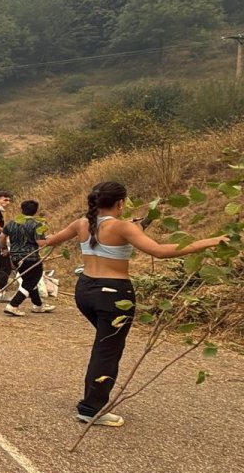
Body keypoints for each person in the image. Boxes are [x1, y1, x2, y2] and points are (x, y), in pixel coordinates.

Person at [42, 181, 226, 427]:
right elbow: (160, 251)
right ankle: (90, 408)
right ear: (121, 202)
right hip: (114, 294)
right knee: (107, 350)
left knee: (105, 345)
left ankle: (92, 400)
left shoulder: (82, 223)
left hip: (85, 290)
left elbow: (50, 241)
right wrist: (212, 241)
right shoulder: (122, 227)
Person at [0, 200, 57, 317]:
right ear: (36, 211)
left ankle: (38, 305)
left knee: (30, 281)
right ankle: (13, 305)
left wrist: (4, 249)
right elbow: (41, 243)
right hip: (30, 257)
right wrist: (52, 239)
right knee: (31, 280)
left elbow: (2, 236)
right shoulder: (37, 224)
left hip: (15, 257)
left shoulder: (12, 222)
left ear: (21, 209)